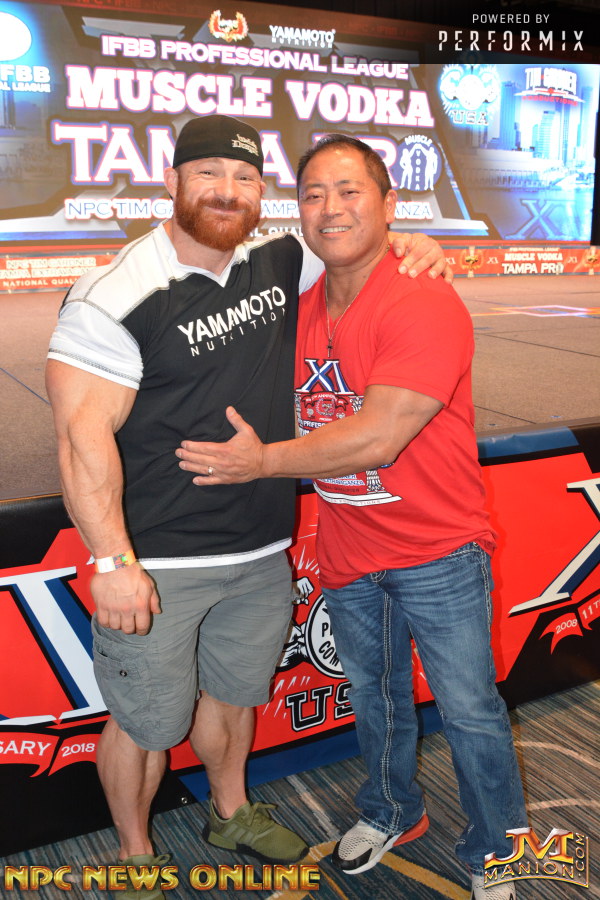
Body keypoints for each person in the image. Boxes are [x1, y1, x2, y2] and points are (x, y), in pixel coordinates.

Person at [45, 115, 450, 896]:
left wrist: (414, 243)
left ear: (261, 192)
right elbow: (79, 438)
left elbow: (357, 239)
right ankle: (134, 850)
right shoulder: (115, 294)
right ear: (172, 182)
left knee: (234, 698)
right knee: (144, 722)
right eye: (208, 174)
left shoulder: (278, 257)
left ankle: (230, 812)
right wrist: (114, 560)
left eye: (244, 178)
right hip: (157, 558)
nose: (226, 191)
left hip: (260, 547)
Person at [176, 134, 528, 900]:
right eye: (313, 194)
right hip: (349, 552)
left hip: (439, 551)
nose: (329, 208)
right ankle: (392, 812)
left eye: (349, 191)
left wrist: (260, 462)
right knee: (376, 699)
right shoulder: (297, 310)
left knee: (470, 711)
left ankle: (497, 850)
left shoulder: (422, 299)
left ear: (389, 205)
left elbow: (379, 436)